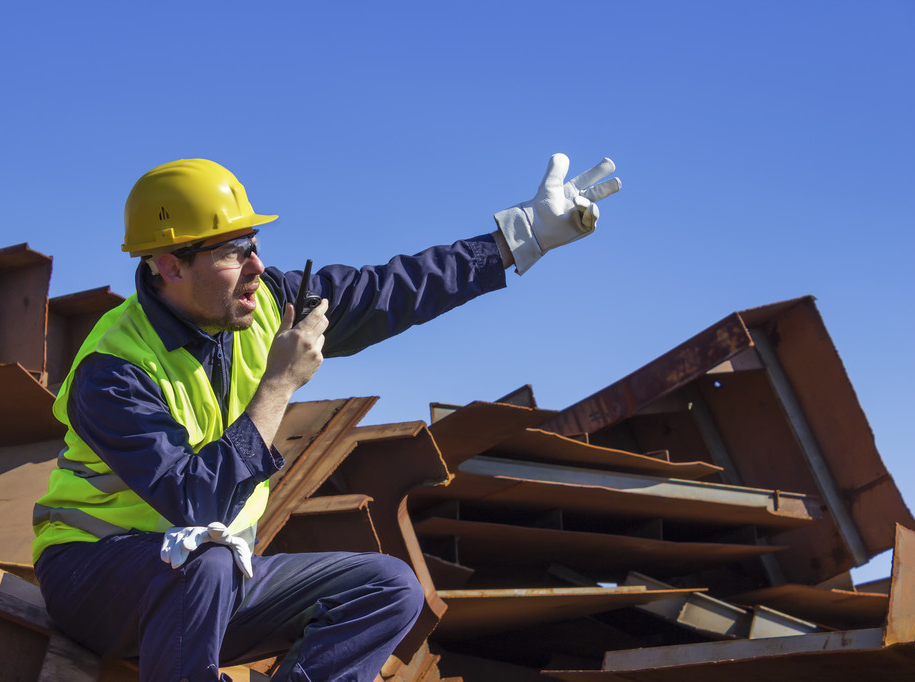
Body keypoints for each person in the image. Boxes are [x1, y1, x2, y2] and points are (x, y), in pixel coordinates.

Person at [31, 154, 621, 682]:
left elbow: (393, 289)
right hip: (95, 580)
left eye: (254, 243)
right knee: (203, 557)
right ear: (170, 266)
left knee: (390, 589)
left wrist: (522, 239)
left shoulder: (264, 304)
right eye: (234, 252)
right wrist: (280, 384)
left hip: (208, 583)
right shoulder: (114, 368)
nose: (257, 266)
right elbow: (197, 505)